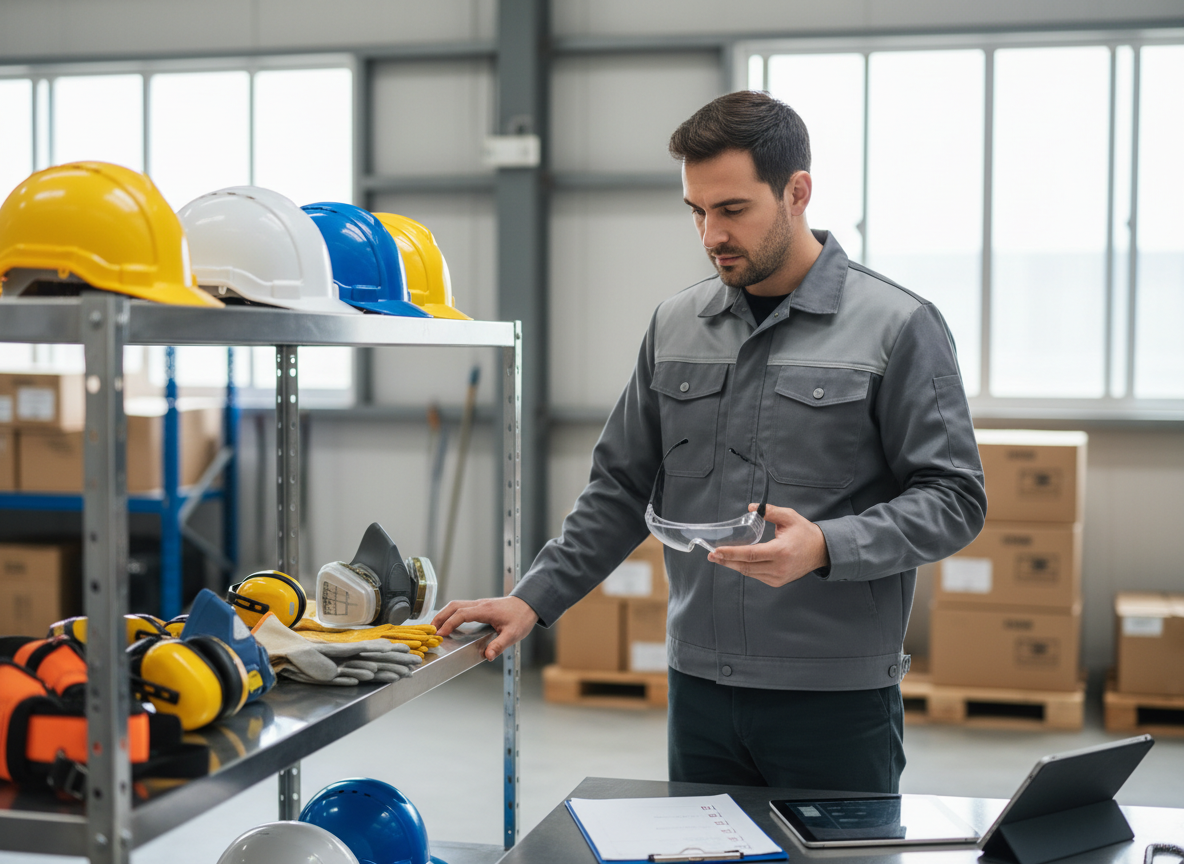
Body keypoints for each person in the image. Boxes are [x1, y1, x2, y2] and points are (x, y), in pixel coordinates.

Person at [434, 91, 986, 793]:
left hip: (834, 701)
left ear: (797, 193)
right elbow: (620, 487)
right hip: (699, 693)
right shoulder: (675, 325)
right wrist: (533, 598)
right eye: (696, 211)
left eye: (731, 209)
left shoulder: (898, 326)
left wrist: (825, 545)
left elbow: (954, 498)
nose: (710, 234)